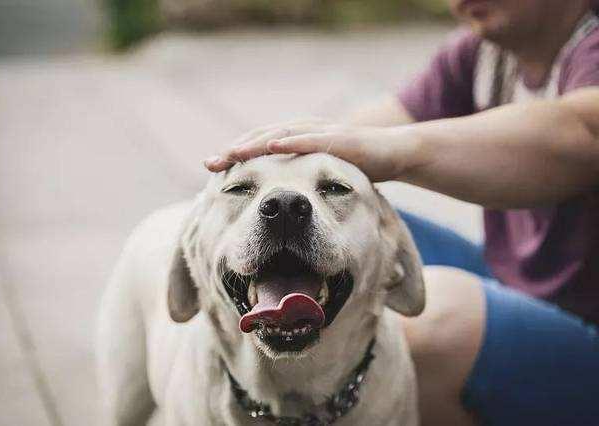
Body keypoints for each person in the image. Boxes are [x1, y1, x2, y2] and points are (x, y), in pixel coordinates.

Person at [204, 1, 599, 425]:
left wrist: (398, 151)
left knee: (437, 320)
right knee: (354, 225)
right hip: (521, 285)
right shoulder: (482, 54)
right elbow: (350, 137)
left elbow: (584, 130)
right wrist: (259, 190)